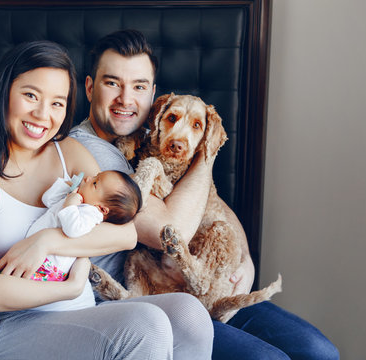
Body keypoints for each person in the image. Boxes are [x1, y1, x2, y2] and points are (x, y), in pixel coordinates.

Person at [69, 29, 340, 360]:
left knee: (319, 352)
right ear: (89, 87)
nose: (126, 99)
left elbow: (213, 205)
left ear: (153, 95)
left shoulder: (153, 135)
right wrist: (206, 151)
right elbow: (171, 233)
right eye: (112, 83)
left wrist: (246, 260)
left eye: (138, 86)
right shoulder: (87, 152)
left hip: (197, 287)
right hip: (143, 297)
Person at [0, 40, 214, 359]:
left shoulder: (68, 152)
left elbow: (125, 233)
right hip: (8, 321)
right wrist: (68, 288)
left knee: (188, 313)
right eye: (31, 95)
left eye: (58, 103)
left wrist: (46, 242)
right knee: (145, 324)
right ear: (3, 92)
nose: (43, 115)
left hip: (78, 307)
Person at [0, 170, 143, 346]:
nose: (88, 178)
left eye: (94, 183)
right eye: (94, 177)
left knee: (2, 280)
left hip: (49, 267)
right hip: (40, 261)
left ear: (102, 209)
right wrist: (66, 187)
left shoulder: (90, 214)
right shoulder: (78, 201)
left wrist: (71, 203)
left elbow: (72, 229)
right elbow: (48, 198)